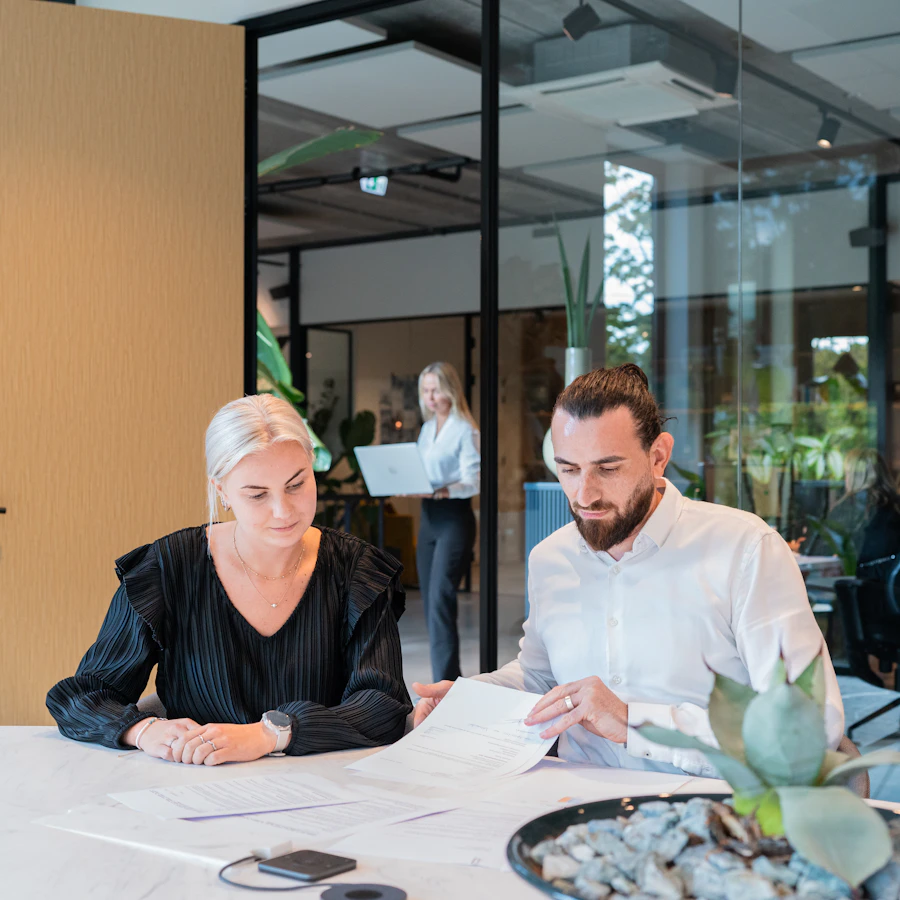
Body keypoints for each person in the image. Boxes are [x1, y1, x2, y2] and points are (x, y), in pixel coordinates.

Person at [413, 364, 845, 776]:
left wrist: (635, 723)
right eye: (569, 469)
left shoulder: (744, 551)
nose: (585, 495)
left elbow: (810, 726)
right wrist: (471, 702)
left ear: (658, 456)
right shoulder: (550, 558)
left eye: (608, 468)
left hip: (713, 818)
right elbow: (539, 678)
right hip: (569, 809)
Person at [47, 395, 411, 765]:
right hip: (193, 788)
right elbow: (81, 696)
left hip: (323, 789)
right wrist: (144, 730)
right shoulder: (168, 568)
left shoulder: (357, 570)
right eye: (257, 494)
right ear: (221, 491)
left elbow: (384, 706)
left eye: (296, 485)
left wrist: (270, 734)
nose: (282, 510)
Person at [415, 361, 480, 682]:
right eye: (425, 391)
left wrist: (441, 491)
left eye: (436, 389)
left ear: (451, 390)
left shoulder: (465, 429)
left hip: (454, 518)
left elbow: (474, 480)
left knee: (441, 599)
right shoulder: (427, 430)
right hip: (428, 519)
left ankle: (447, 683)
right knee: (430, 604)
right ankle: (447, 679)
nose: (430, 397)